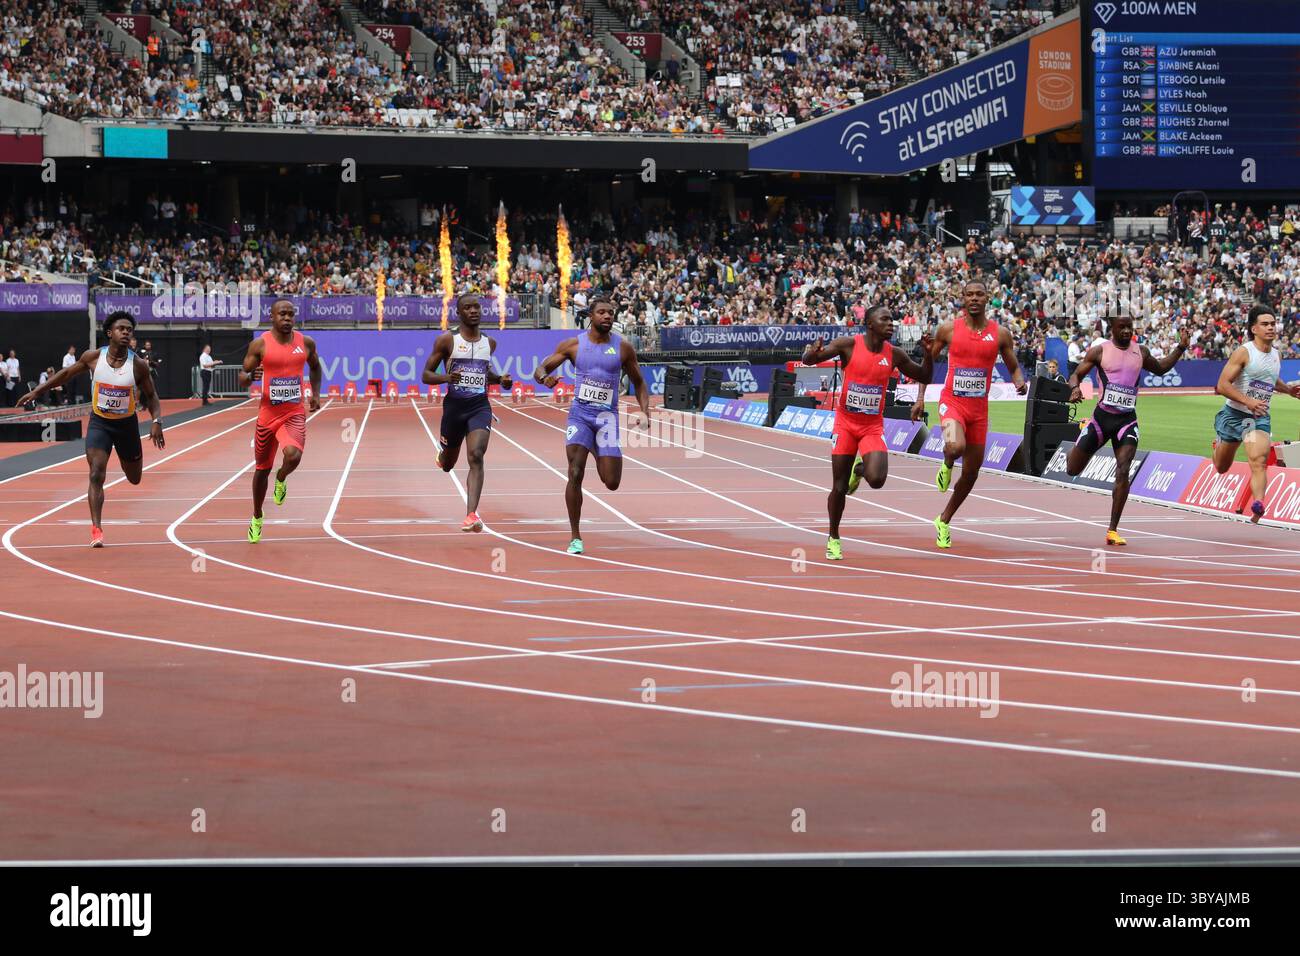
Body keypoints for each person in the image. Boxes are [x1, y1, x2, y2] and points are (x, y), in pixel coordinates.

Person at [16, 312, 164, 547]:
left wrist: (157, 421)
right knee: (96, 472)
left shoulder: (138, 365)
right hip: (100, 423)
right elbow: (65, 374)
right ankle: (97, 529)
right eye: (121, 329)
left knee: (134, 478)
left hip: (126, 426)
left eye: (129, 329)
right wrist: (38, 391)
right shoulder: (93, 357)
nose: (126, 332)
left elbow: (152, 396)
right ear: (109, 333)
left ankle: (126, 471)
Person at [802, 305, 933, 560]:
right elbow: (811, 360)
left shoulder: (894, 354)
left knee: (877, 479)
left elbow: (924, 374)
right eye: (885, 319)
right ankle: (833, 537)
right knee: (839, 487)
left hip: (872, 426)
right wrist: (810, 353)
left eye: (892, 319)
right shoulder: (848, 344)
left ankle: (860, 470)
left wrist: (928, 355)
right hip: (846, 424)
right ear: (870, 324)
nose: (891, 324)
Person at [534, 294, 651, 554]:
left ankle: (600, 451)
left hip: (607, 420)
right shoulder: (574, 345)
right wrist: (545, 379)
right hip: (580, 416)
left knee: (611, 481)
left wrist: (645, 411)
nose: (608, 316)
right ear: (591, 316)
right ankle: (575, 537)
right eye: (602, 312)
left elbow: (640, 383)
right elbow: (540, 369)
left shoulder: (623, 348)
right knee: (575, 472)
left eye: (611, 312)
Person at [1066, 316, 1188, 545]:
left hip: (1127, 421)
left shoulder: (1140, 351)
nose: (1126, 331)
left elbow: (1161, 369)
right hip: (1101, 420)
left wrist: (1180, 347)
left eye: (1129, 327)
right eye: (1121, 327)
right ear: (1111, 328)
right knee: (1072, 468)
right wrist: (1074, 389)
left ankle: (1112, 529)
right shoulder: (1099, 351)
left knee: (1123, 469)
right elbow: (1076, 375)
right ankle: (1079, 439)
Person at [929, 278, 1028, 549]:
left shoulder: (1001, 334)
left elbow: (1014, 366)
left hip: (979, 411)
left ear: (987, 299)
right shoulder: (948, 330)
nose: (974, 299)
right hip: (951, 403)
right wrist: (918, 395)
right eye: (969, 295)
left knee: (972, 473)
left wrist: (1019, 381)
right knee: (954, 446)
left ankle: (944, 520)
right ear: (963, 298)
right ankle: (947, 463)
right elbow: (927, 362)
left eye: (979, 295)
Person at [422, 293, 512, 532]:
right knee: (449, 464)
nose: (473, 311)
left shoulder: (489, 343)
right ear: (459, 313)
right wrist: (446, 377)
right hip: (454, 408)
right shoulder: (446, 341)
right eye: (468, 308)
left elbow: (486, 375)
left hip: (479, 407)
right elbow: (426, 375)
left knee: (476, 455)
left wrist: (500, 380)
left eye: (477, 308)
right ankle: (443, 455)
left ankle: (471, 514)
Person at [238, 298, 322, 543]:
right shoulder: (260, 345)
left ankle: (282, 477)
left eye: (290, 314)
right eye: (282, 314)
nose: (287, 318)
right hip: (267, 416)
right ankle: (256, 516)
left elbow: (316, 367)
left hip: (293, 413)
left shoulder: (305, 343)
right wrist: (250, 376)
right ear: (272, 317)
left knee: (293, 455)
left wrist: (315, 394)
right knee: (261, 470)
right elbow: (242, 376)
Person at [1211, 306, 1300, 522]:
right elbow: (1222, 385)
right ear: (1254, 328)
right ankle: (1218, 444)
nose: (1271, 327)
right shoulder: (1244, 352)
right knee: (1221, 467)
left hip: (1258, 416)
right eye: (1265, 324)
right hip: (1234, 415)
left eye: (1272, 323)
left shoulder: (1276, 354)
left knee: (1258, 461)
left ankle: (1258, 503)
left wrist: (1288, 390)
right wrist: (1248, 401)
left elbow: (1269, 380)